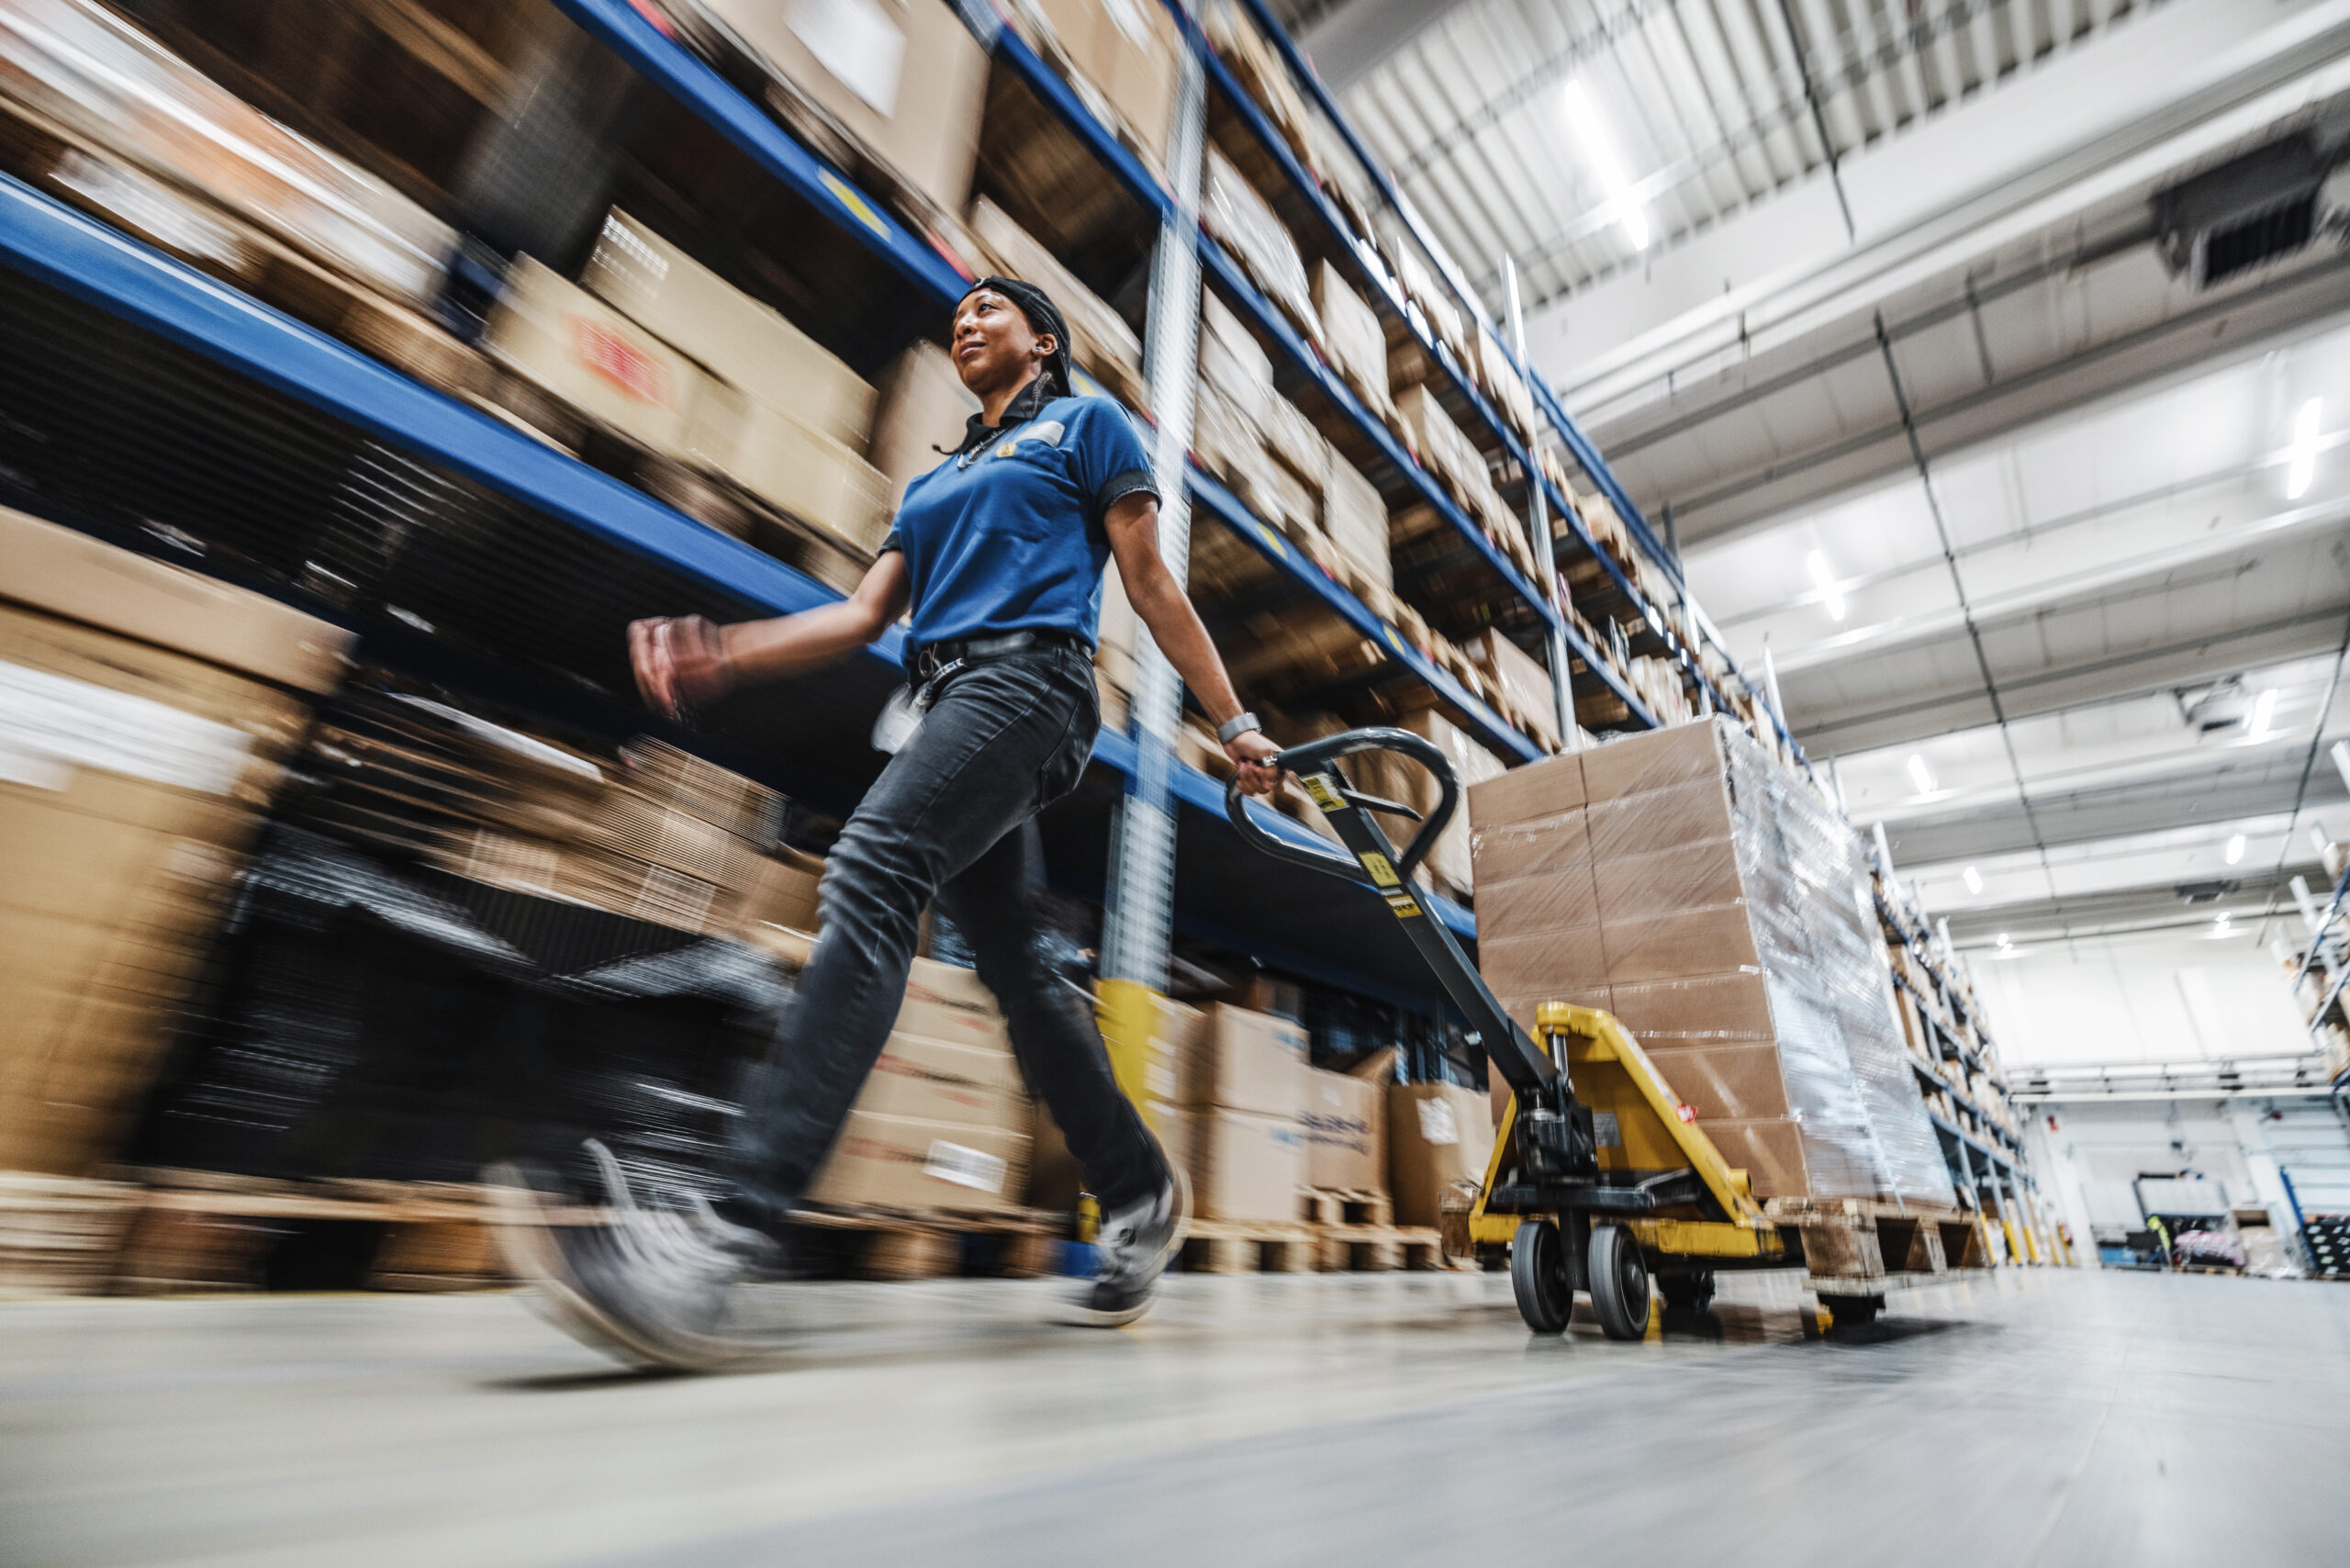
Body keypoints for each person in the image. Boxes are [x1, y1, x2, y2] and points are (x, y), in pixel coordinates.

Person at [493, 277, 1285, 1368]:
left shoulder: (1085, 426)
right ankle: (1140, 1188)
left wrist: (1236, 722)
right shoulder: (931, 484)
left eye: (990, 310)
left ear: (1044, 343)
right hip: (943, 707)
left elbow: (1149, 581)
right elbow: (861, 617)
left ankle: (724, 1239)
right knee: (1016, 971)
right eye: (956, 313)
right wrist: (723, 652)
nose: (965, 320)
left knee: (870, 869)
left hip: (1033, 691)